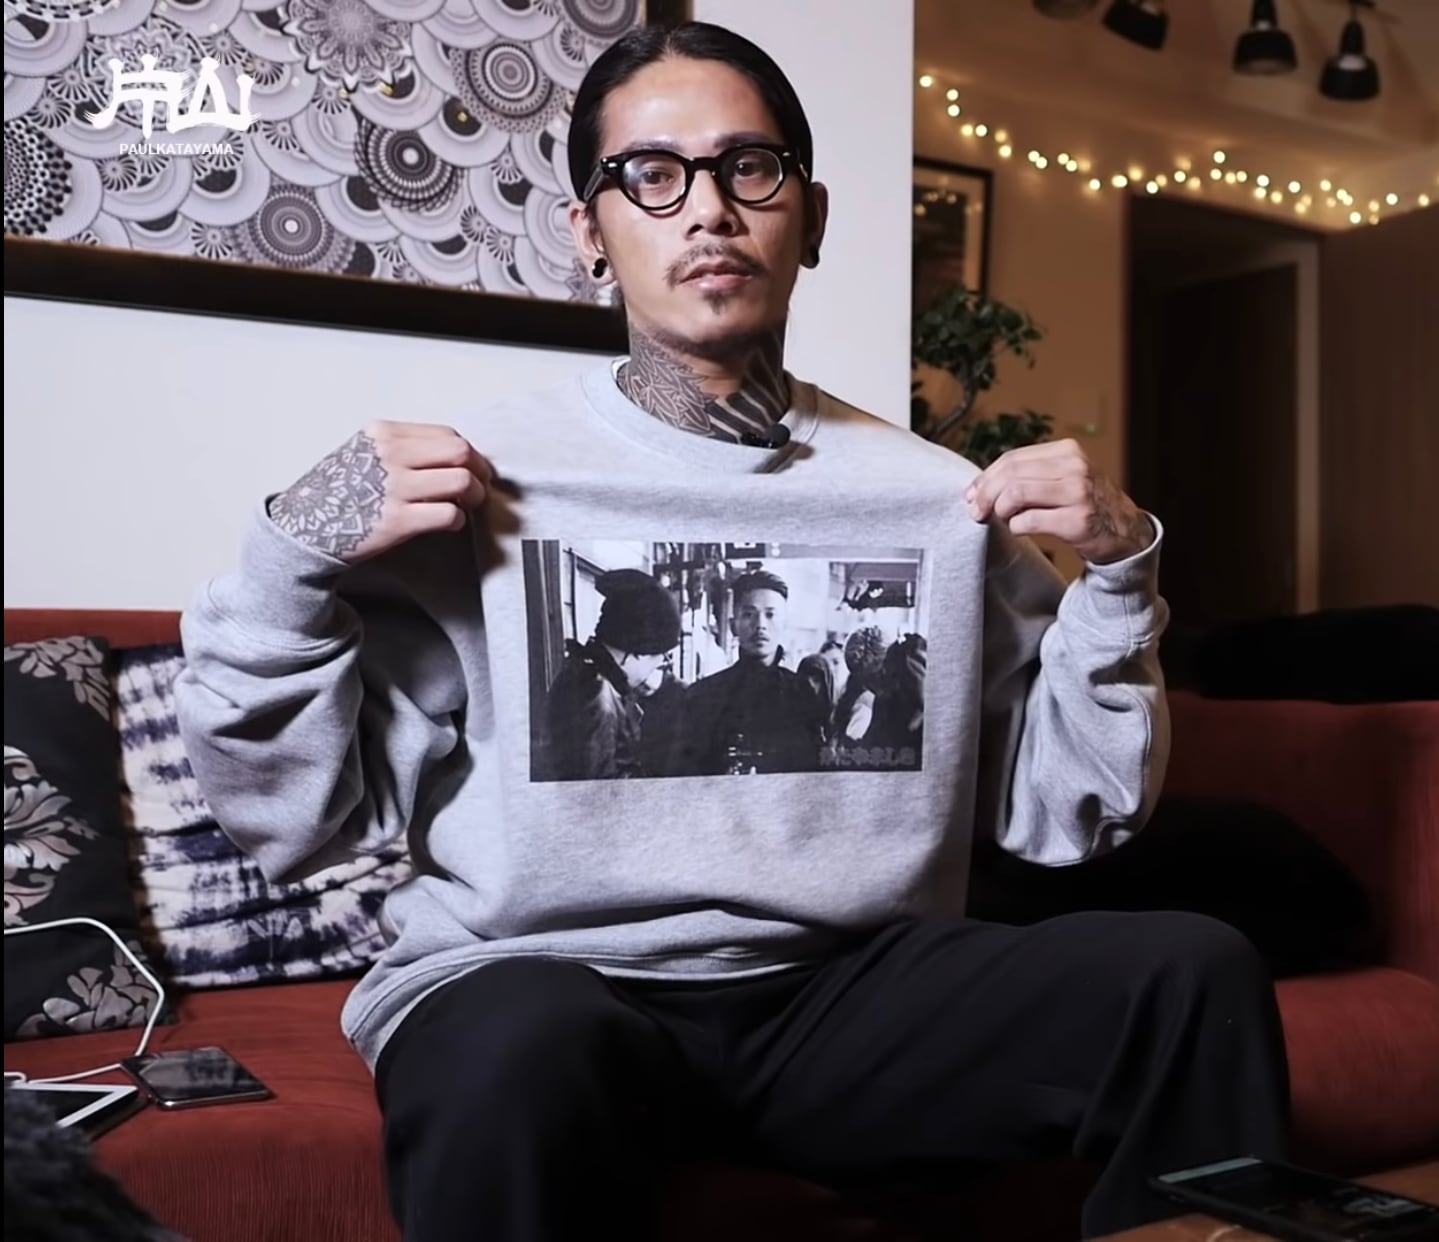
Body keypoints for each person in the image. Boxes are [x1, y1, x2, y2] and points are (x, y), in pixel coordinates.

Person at [173, 19, 1291, 1242]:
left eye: (747, 168)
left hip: (840, 1001)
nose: (706, 209)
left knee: (1188, 972)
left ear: (809, 219)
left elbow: (1066, 817)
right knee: (518, 1046)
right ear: (588, 234)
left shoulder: (932, 496)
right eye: (651, 175)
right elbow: (291, 821)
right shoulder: (474, 484)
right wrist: (289, 550)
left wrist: (1120, 572)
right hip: (547, 985)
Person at [675, 568, 827, 774]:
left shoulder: (802, 693)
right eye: (748, 614)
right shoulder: (703, 695)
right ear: (733, 625)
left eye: (770, 615)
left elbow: (814, 771)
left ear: (784, 624)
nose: (760, 625)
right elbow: (685, 771)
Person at [539, 567, 681, 781]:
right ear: (637, 653)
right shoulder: (595, 695)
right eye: (656, 664)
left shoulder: (586, 676)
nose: (649, 675)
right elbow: (598, 791)